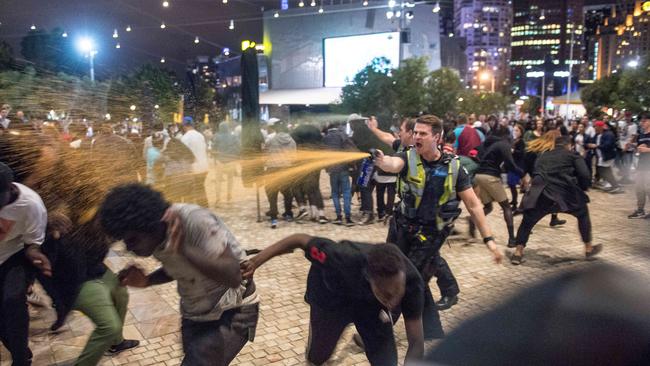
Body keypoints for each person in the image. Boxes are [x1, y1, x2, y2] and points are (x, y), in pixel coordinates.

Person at [98, 184, 259, 366]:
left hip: (233, 310)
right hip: (195, 313)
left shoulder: (193, 220)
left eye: (133, 239)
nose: (129, 248)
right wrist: (148, 281)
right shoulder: (158, 235)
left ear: (150, 225)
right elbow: (177, 268)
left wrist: (184, 249)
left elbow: (233, 276)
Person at [373, 115, 503, 338]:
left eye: (422, 133)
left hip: (430, 237)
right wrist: (382, 160)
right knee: (411, 279)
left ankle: (382, 328)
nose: (417, 137)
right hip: (402, 229)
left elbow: (473, 205)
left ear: (437, 136)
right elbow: (392, 165)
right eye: (415, 132)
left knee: (407, 279)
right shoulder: (407, 157)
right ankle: (433, 329)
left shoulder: (454, 167)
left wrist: (489, 240)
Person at [241, 233, 426, 366]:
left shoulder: (412, 283)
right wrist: (256, 262)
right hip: (330, 301)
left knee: (386, 362)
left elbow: (416, 342)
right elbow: (298, 239)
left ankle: (366, 337)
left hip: (370, 308)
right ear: (369, 278)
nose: (393, 302)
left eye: (397, 294)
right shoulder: (340, 256)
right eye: (386, 295)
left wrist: (386, 299)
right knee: (318, 356)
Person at [511, 132, 602, 264]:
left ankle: (518, 252)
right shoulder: (572, 155)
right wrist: (582, 188)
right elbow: (584, 174)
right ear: (569, 145)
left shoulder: (543, 155)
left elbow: (536, 172)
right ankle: (588, 248)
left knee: (528, 221)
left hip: (542, 194)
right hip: (565, 195)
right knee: (582, 213)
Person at [0, 162, 51, 366]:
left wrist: (35, 255)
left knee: (12, 303)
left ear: (11, 187)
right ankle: (19, 350)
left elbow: (32, 244)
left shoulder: (31, 204)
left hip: (14, 256)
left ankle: (21, 360)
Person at [472, 125, 525, 246]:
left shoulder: (493, 144)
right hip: (490, 177)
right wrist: (523, 175)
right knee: (506, 206)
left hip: (479, 176)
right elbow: (510, 164)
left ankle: (472, 220)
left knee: (488, 207)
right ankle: (512, 239)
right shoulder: (504, 144)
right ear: (508, 137)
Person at [263, 120, 304, 228]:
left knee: (272, 193)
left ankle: (274, 218)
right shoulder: (292, 141)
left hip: (272, 169)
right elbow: (294, 157)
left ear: (276, 129)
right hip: (286, 169)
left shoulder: (271, 140)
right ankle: (288, 214)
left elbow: (265, 153)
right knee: (287, 193)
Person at [323, 122, 356, 226]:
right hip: (343, 167)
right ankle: (348, 217)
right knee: (346, 192)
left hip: (332, 168)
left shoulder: (326, 138)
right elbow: (350, 150)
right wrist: (352, 164)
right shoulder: (343, 135)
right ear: (337, 127)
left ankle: (338, 217)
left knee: (335, 193)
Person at [180, 117, 210, 206]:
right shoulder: (200, 135)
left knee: (191, 191)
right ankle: (204, 207)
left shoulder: (185, 138)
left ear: (184, 126)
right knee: (200, 187)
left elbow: (184, 156)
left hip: (193, 168)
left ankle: (196, 210)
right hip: (204, 167)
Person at [588, 121, 623, 194]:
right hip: (601, 156)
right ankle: (614, 185)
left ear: (600, 127)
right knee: (605, 171)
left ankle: (615, 185)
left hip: (607, 156)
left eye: (596, 126)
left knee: (604, 171)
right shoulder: (597, 134)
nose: (595, 128)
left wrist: (596, 146)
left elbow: (608, 145)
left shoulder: (608, 134)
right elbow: (594, 141)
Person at [628, 114, 650, 219]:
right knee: (639, 188)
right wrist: (634, 146)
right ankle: (640, 210)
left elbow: (646, 149)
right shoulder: (641, 135)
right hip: (641, 165)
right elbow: (639, 148)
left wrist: (648, 150)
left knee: (648, 189)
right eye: (641, 121)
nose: (642, 123)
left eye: (644, 121)